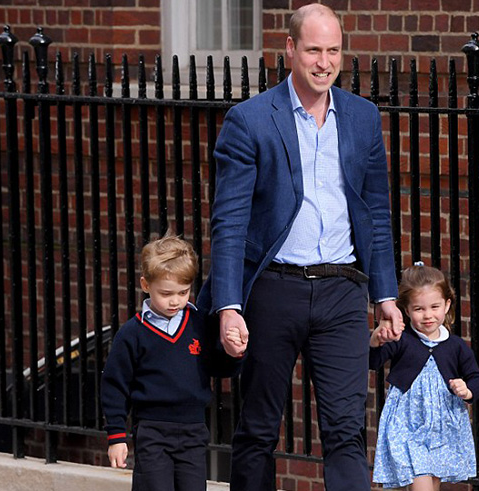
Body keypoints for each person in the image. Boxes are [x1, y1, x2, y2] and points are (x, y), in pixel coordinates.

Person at [195, 3, 404, 489]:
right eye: (313, 49)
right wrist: (228, 305)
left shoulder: (363, 118)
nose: (324, 62)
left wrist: (386, 295)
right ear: (290, 49)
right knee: (258, 430)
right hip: (273, 290)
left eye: (333, 50)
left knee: (347, 432)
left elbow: (375, 213)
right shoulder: (249, 120)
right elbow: (229, 222)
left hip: (343, 292)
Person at [100, 233, 240, 491]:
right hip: (152, 432)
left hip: (194, 431)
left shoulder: (200, 325)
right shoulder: (132, 333)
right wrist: (116, 436)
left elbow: (220, 368)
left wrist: (233, 353)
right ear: (145, 284)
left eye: (183, 292)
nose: (175, 300)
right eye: (166, 293)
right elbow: (114, 386)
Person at [369, 262, 479, 491]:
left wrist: (468, 390)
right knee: (421, 484)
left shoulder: (455, 346)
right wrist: (375, 341)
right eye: (419, 309)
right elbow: (372, 363)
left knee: (431, 485)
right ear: (406, 310)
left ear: (447, 304)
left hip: (442, 428)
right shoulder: (401, 339)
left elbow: (478, 379)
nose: (428, 315)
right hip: (407, 424)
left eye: (435, 307)